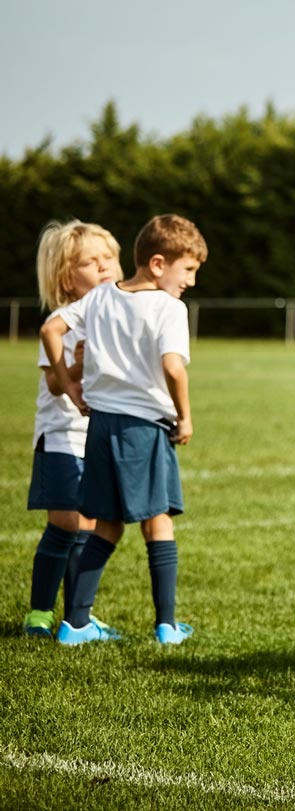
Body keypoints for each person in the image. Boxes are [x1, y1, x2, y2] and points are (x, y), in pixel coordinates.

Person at [41, 213, 207, 646]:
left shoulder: (99, 299)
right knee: (159, 521)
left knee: (107, 525)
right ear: (157, 263)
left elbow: (51, 327)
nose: (190, 280)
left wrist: (70, 384)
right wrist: (185, 415)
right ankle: (168, 626)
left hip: (100, 428)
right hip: (144, 428)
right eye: (187, 269)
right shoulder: (169, 307)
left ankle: (75, 624)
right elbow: (173, 366)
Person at [23, 221, 122, 639]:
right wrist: (79, 363)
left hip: (95, 437)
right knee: (66, 523)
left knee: (86, 525)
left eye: (109, 258)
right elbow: (53, 382)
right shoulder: (65, 321)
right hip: (63, 434)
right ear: (67, 276)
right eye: (90, 261)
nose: (104, 267)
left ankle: (76, 617)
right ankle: (40, 613)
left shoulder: (114, 316)